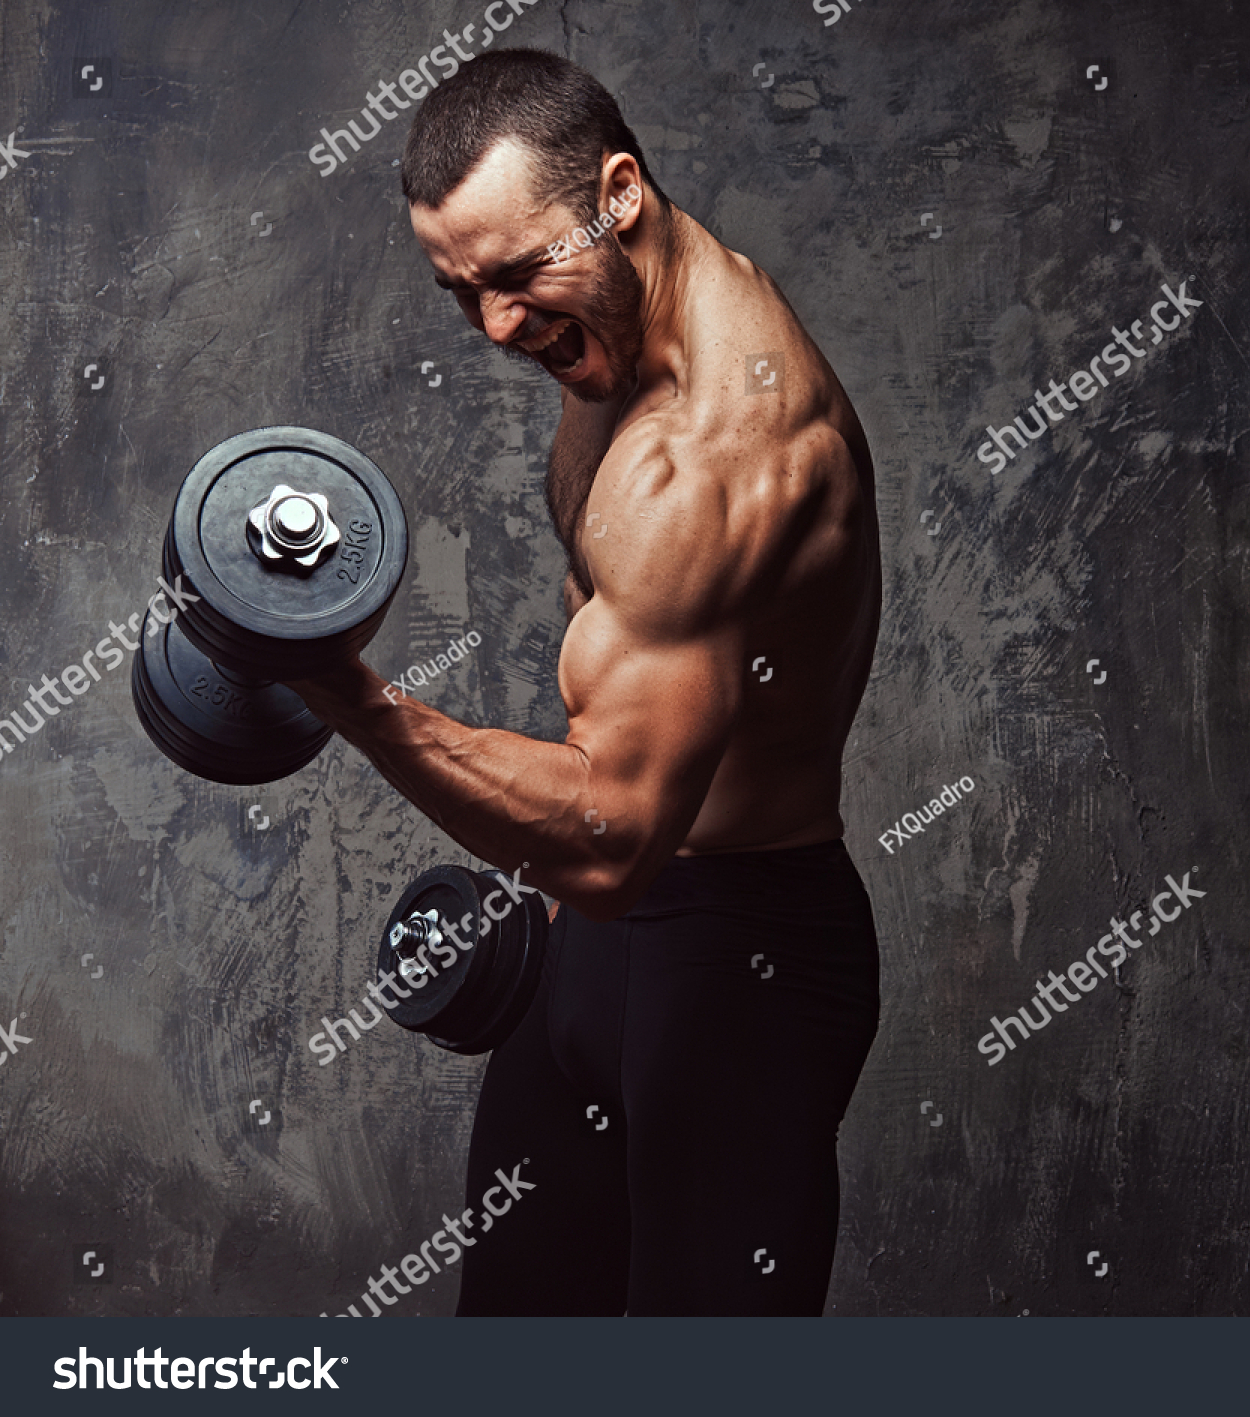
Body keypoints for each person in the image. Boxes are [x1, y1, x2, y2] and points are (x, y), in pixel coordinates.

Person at [287, 47, 883, 1316]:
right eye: (462, 293)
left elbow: (614, 835)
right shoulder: (610, 331)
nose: (498, 327)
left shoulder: (729, 453)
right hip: (593, 945)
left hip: (739, 966)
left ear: (620, 193)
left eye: (516, 279)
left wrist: (354, 698)